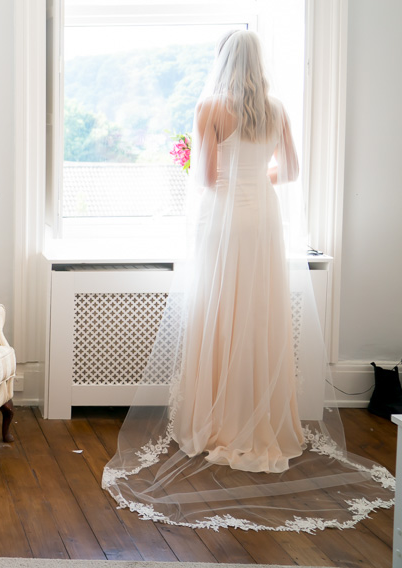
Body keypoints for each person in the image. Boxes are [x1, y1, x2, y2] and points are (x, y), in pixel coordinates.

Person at [103, 30, 393, 531]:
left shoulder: (211, 108)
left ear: (222, 62)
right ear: (258, 62)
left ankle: (216, 421)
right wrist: (259, 180)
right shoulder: (276, 108)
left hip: (225, 225)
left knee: (219, 314)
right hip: (264, 225)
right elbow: (293, 170)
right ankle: (258, 421)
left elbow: (208, 180)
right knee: (258, 316)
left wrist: (236, 178)